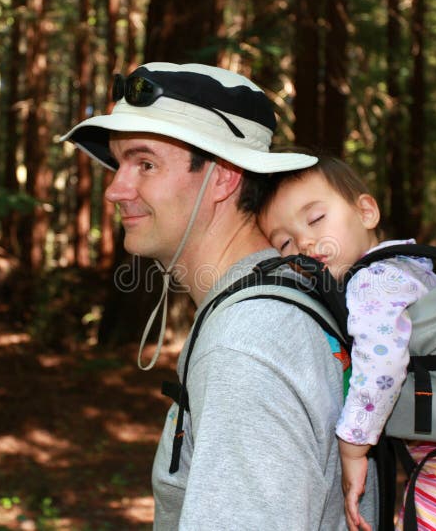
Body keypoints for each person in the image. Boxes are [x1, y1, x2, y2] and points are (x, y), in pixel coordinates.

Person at [61, 63, 377, 529]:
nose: (115, 189)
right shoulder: (276, 298)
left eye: (144, 163)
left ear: (223, 177)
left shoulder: (247, 341)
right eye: (118, 163)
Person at [255, 155, 436, 531]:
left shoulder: (372, 281)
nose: (304, 241)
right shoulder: (406, 263)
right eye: (285, 242)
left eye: (316, 218)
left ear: (366, 211)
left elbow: (382, 362)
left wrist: (353, 445)